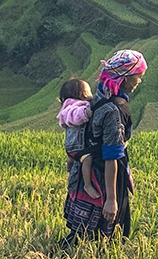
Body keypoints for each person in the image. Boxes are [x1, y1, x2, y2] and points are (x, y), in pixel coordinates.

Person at [61, 49, 147, 246]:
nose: (139, 81)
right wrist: (111, 199)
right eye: (138, 77)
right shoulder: (114, 110)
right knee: (100, 239)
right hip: (103, 176)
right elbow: (112, 156)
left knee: (82, 234)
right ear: (125, 79)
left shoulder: (99, 96)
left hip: (86, 172)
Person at [56, 78, 101, 199]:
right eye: (89, 91)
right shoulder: (74, 106)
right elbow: (74, 115)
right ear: (83, 94)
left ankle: (70, 167)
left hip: (71, 148)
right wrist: (84, 113)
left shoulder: (70, 105)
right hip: (77, 146)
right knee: (87, 159)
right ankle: (87, 184)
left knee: (73, 159)